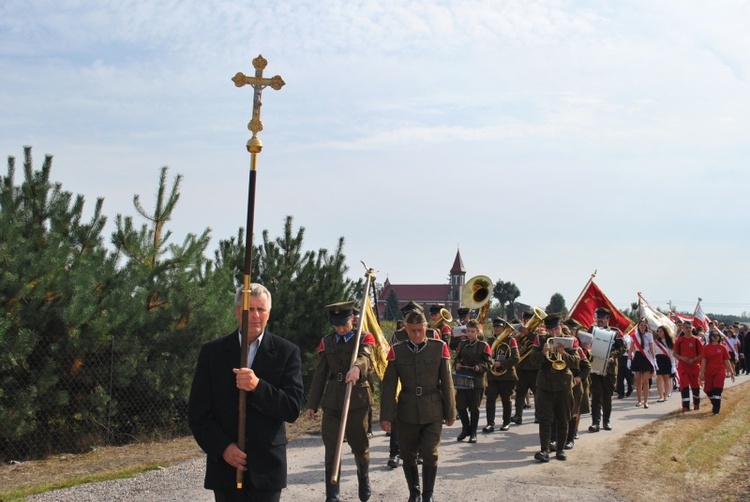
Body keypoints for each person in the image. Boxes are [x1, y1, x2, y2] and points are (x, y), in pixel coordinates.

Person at [188, 284, 304, 502]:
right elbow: (197, 414)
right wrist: (222, 448)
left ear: (269, 313)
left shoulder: (286, 352)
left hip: (267, 468)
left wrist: (258, 386)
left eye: (261, 309)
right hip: (226, 468)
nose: (255, 316)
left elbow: (292, 408)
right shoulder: (212, 353)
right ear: (236, 312)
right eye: (249, 309)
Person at [380, 310, 456, 502]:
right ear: (405, 330)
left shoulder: (439, 348)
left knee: (430, 453)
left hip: (432, 409)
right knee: (408, 454)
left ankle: (427, 495)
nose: (416, 335)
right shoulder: (397, 350)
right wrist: (386, 416)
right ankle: (414, 493)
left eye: (420, 330)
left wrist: (450, 411)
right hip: (406, 411)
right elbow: (389, 385)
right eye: (412, 331)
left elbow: (447, 382)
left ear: (426, 328)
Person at [305, 301, 376, 502]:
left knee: (359, 445)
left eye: (344, 324)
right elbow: (320, 375)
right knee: (332, 447)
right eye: (336, 325)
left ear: (352, 319)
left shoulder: (364, 337)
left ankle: (363, 478)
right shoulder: (327, 342)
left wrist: (357, 369)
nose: (341, 329)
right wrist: (312, 404)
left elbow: (365, 357)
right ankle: (332, 495)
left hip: (357, 400)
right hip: (333, 400)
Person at [386, 301, 438, 469]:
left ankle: (422, 451)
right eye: (408, 317)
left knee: (424, 417)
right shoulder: (397, 336)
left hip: (426, 386)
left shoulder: (432, 334)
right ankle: (395, 452)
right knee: (397, 416)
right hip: (404, 383)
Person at [530, 314, 580, 462]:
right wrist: (543, 353)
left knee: (563, 419)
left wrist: (563, 354)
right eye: (551, 330)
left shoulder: (570, 340)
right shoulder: (540, 339)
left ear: (561, 326)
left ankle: (560, 449)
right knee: (544, 419)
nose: (554, 333)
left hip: (563, 385)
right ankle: (544, 450)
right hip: (544, 385)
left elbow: (576, 363)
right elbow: (533, 361)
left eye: (556, 329)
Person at [588, 307, 626, 432]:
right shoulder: (592, 330)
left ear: (607, 319)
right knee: (596, 396)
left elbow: (623, 348)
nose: (599, 320)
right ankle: (595, 422)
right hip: (595, 368)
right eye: (597, 317)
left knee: (607, 397)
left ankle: (606, 421)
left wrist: (613, 354)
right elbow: (585, 343)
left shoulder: (616, 332)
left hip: (609, 370)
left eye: (602, 318)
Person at [453, 320, 492, 442]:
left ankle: (473, 432)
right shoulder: (462, 344)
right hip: (463, 379)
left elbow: (489, 363)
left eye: (472, 331)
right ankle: (466, 428)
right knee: (460, 405)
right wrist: (458, 364)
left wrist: (480, 367)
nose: (470, 334)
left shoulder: (483, 345)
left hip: (477, 380)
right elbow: (457, 359)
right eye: (468, 331)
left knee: (474, 407)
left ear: (478, 332)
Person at [483, 317, 519, 433]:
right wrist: (490, 359)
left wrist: (502, 364)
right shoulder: (489, 341)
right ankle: (490, 423)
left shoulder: (510, 340)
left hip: (507, 375)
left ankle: (506, 422)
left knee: (506, 399)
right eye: (495, 326)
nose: (496, 329)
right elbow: (484, 357)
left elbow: (515, 358)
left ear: (504, 328)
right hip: (492, 376)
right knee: (490, 399)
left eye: (499, 327)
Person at [511, 309, 540, 425]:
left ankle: (538, 415)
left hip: (535, 368)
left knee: (538, 394)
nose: (526, 321)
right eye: (524, 320)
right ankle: (518, 415)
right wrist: (515, 338)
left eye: (528, 319)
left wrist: (528, 333)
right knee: (519, 393)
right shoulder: (519, 332)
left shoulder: (539, 331)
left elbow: (540, 340)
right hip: (521, 367)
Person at [701, 330, 736, 414]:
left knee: (717, 390)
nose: (716, 337)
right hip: (709, 372)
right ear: (710, 337)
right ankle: (715, 403)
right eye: (714, 335)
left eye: (717, 335)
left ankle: (716, 411)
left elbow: (727, 361)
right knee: (708, 390)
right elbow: (704, 361)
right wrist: (701, 372)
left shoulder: (722, 347)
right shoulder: (706, 348)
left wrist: (731, 373)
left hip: (719, 371)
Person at [673, 323, 703, 412]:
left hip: (694, 366)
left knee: (695, 385)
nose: (688, 329)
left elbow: (702, 354)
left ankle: (696, 404)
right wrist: (682, 358)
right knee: (684, 385)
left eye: (690, 328)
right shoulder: (680, 340)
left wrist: (694, 359)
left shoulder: (696, 340)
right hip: (683, 366)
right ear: (683, 328)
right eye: (686, 328)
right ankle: (685, 406)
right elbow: (674, 353)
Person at [629, 319, 657, 409]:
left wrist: (654, 359)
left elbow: (652, 348)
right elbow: (631, 348)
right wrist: (629, 359)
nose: (643, 327)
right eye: (641, 325)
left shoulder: (649, 335)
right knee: (638, 381)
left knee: (645, 381)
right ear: (638, 326)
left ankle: (646, 401)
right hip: (638, 357)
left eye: (644, 325)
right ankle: (639, 401)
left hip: (646, 357)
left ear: (646, 326)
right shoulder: (634, 335)